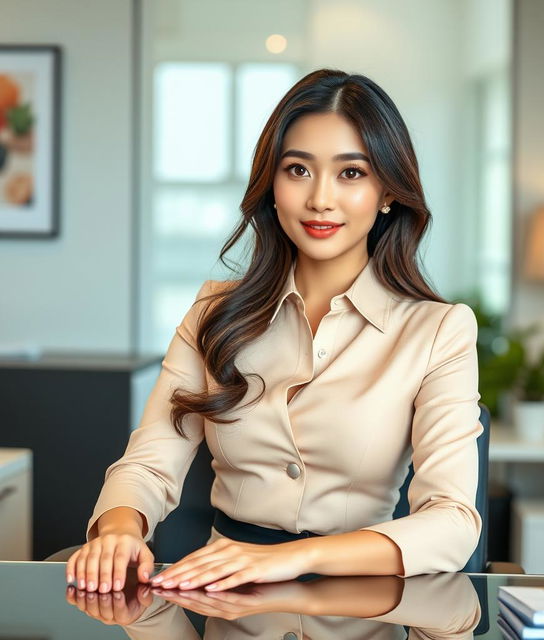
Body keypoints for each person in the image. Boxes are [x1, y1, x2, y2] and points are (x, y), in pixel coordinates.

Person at [65, 68, 483, 595]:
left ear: (386, 193)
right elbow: (150, 461)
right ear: (273, 184)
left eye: (351, 173)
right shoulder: (215, 311)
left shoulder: (438, 329)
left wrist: (286, 559)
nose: (320, 200)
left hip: (362, 606)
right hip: (223, 600)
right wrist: (121, 530)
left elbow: (452, 521)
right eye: (298, 170)